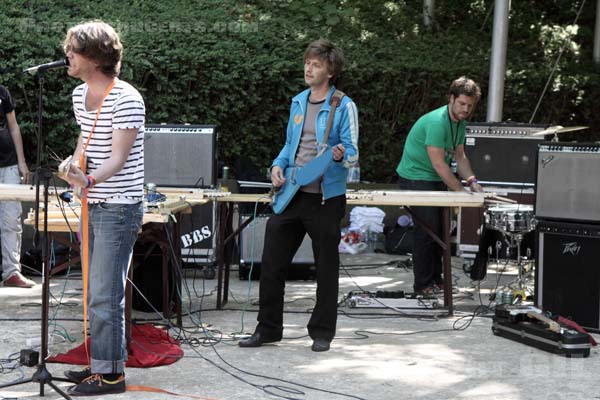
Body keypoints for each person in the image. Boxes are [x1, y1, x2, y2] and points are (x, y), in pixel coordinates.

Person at [239, 39, 359, 352]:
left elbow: (353, 153)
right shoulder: (298, 101)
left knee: (327, 268)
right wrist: (277, 166)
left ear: (331, 71)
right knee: (271, 264)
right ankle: (267, 330)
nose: (308, 68)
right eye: (307, 62)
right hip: (291, 194)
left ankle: (322, 333)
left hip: (325, 198)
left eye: (316, 64)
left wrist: (339, 155)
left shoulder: (343, 105)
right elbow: (289, 144)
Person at [60, 21, 145, 396]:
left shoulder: (126, 98)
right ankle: (101, 365)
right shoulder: (80, 95)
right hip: (93, 203)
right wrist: (74, 164)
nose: (67, 55)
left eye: (73, 50)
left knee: (105, 292)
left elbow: (118, 158)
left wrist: (89, 180)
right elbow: (86, 139)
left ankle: (111, 375)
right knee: (94, 290)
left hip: (119, 206)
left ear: (94, 57)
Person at [396, 76, 483, 295]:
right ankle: (423, 285)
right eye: (462, 104)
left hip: (432, 177)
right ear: (451, 98)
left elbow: (460, 157)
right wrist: (460, 191)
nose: (465, 109)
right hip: (415, 177)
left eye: (469, 106)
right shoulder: (437, 122)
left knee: (441, 231)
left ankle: (436, 280)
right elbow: (439, 164)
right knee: (427, 231)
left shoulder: (460, 123)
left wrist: (472, 181)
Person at [0, 84, 34, 288]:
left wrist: (21, 161)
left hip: (9, 164)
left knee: (11, 218)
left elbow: (13, 126)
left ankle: (12, 272)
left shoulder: (3, 91)